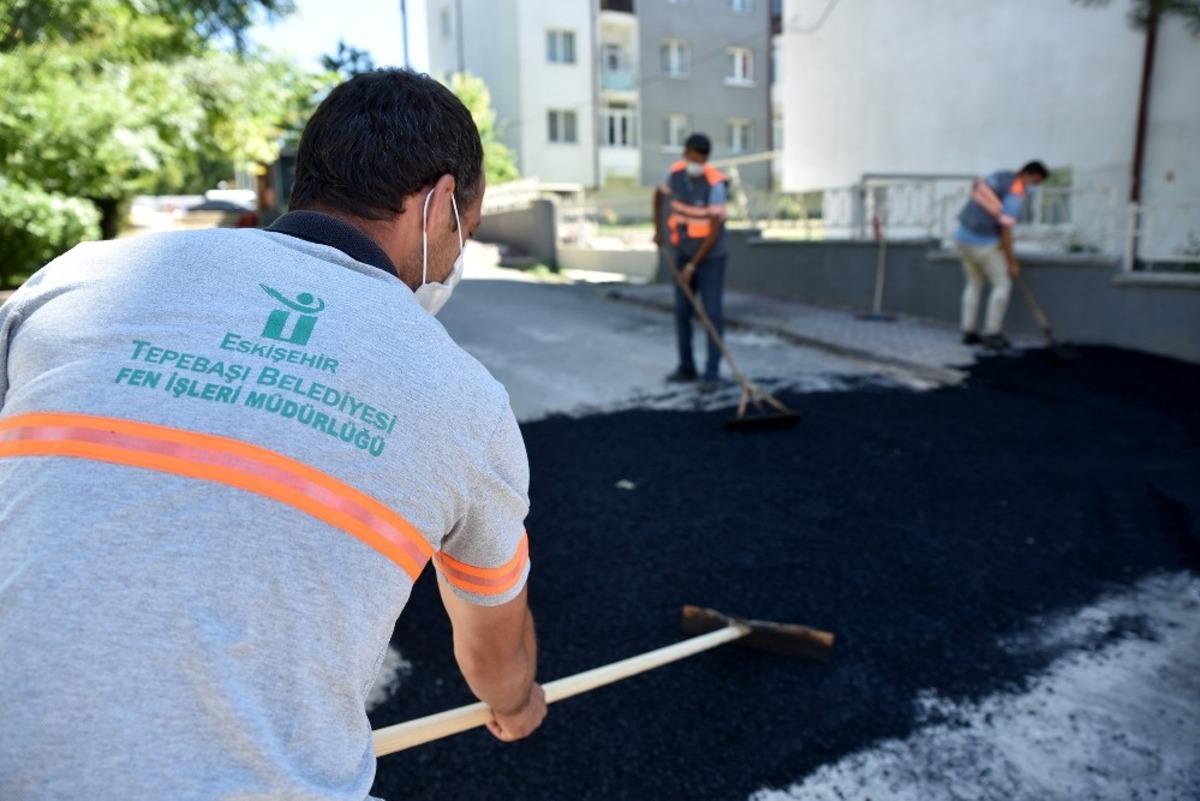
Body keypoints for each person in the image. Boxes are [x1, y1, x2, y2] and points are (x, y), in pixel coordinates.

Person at [0, 69, 545, 800]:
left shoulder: (80, 277)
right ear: (439, 203)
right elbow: (494, 649)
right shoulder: (467, 401)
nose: (454, 258)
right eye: (464, 232)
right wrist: (516, 702)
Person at [653, 133, 730, 388]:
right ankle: (686, 368)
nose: (694, 163)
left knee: (712, 313)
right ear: (685, 153)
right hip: (683, 252)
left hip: (711, 257)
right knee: (682, 312)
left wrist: (693, 266)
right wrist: (658, 230)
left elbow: (714, 231)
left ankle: (712, 374)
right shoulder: (675, 173)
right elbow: (658, 195)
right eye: (691, 158)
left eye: (699, 160)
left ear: (706, 159)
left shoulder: (715, 185)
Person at [954, 160, 1050, 350]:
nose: (1034, 187)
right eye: (1036, 182)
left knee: (974, 284)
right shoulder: (1015, 193)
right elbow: (1006, 231)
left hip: (961, 237)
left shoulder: (998, 176)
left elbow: (977, 189)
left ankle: (968, 331)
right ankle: (992, 334)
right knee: (1002, 284)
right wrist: (1012, 262)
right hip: (983, 242)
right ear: (1028, 174)